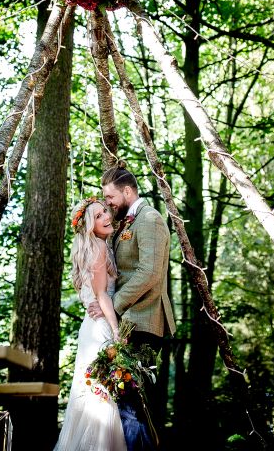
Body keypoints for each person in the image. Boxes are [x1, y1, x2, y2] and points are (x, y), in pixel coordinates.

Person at [89, 162, 175, 449]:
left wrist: (113, 304)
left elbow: (149, 273)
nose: (108, 203)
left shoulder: (149, 219)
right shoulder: (127, 221)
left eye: (111, 197)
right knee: (131, 407)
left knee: (131, 406)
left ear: (127, 191)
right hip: (130, 322)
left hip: (145, 321)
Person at [54, 196, 127, 451]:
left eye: (104, 212)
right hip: (100, 327)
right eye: (97, 216)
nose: (106, 217)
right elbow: (101, 295)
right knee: (102, 397)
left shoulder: (100, 245)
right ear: (88, 225)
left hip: (94, 323)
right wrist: (117, 331)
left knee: (98, 394)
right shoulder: (96, 248)